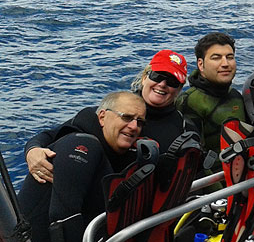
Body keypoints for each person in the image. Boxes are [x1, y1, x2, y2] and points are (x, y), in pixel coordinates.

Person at [25, 49, 191, 183]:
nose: (162, 84)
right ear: (144, 77)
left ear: (180, 89)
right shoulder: (100, 113)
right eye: (158, 76)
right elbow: (50, 136)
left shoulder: (183, 128)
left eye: (172, 82)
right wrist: (33, 152)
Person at [18, 91, 146, 242]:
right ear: (102, 117)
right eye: (126, 117)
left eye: (140, 122)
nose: (133, 126)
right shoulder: (83, 145)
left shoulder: (118, 148)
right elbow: (64, 216)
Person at [177, 32, 247, 157]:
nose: (225, 63)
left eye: (230, 57)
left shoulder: (235, 95)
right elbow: (191, 155)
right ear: (200, 64)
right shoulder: (190, 101)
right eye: (216, 58)